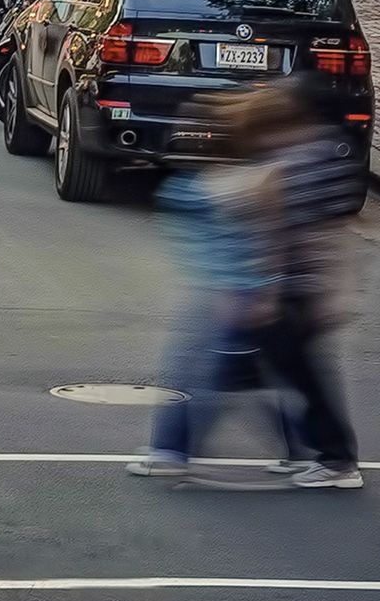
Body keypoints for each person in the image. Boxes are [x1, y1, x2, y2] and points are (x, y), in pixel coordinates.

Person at [131, 88, 301, 483]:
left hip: (230, 293)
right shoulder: (213, 185)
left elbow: (266, 240)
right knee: (241, 374)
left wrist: (262, 289)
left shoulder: (230, 186)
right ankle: (305, 446)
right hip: (228, 291)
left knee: (199, 373)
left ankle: (172, 449)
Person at [256, 74, 367, 488]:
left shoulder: (314, 154)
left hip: (304, 283)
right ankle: (305, 450)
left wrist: (334, 287)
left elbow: (323, 228)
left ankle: (337, 459)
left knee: (301, 372)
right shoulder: (317, 148)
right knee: (287, 365)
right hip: (302, 281)